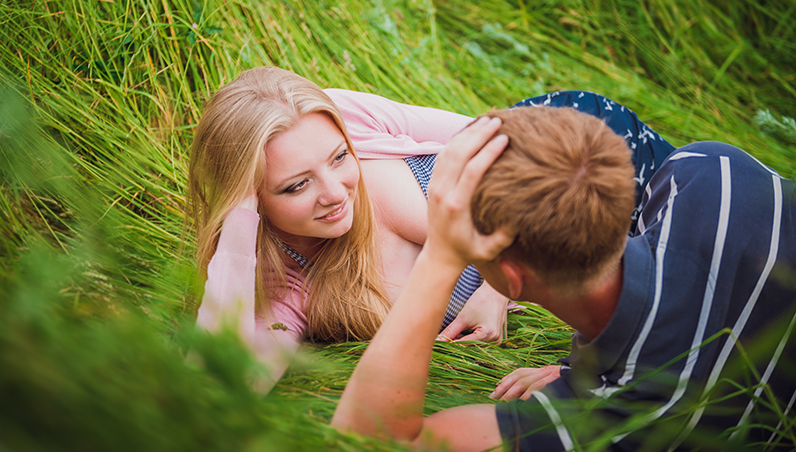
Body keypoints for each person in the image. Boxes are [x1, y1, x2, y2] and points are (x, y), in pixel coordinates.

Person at [331, 106, 796, 451]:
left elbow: (366, 438)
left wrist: (440, 258)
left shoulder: (611, 418)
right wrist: (582, 369)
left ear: (510, 279)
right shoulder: (710, 171)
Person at [188, 67, 674, 392]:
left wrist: (494, 285)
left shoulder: (337, 116)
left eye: (340, 157)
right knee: (681, 304)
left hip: (563, 157)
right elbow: (220, 394)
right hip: (557, 212)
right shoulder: (286, 289)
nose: (336, 192)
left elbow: (498, 136)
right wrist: (234, 239)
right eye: (296, 187)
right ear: (250, 200)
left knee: (691, 247)